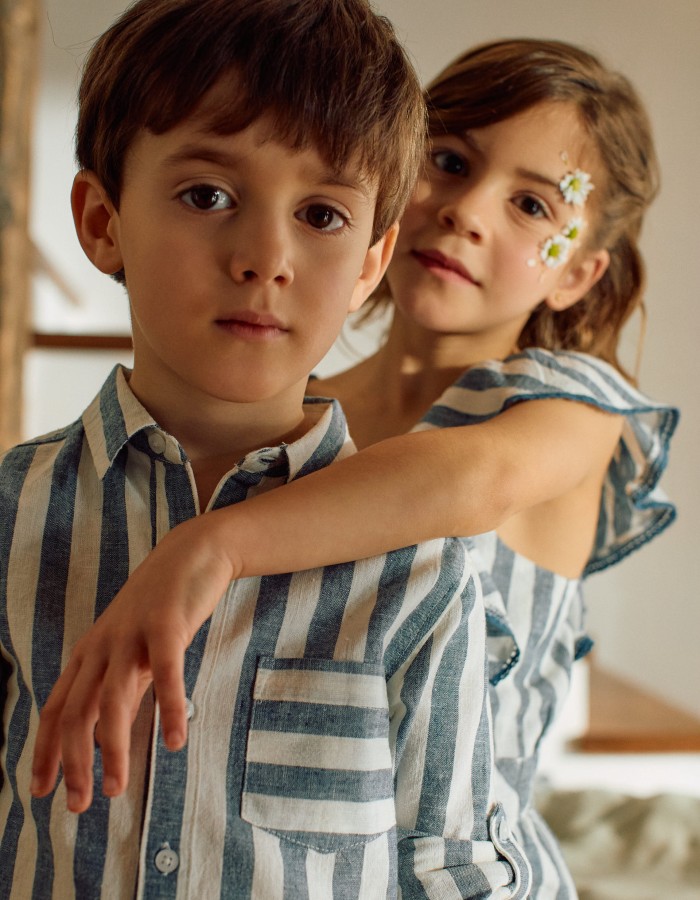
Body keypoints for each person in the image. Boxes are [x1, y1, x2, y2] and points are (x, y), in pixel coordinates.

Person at [29, 36, 678, 899]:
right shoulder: (299, 402)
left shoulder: (571, 412)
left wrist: (209, 546)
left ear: (579, 275)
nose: (466, 210)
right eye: (448, 162)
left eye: (532, 206)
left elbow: (462, 483)